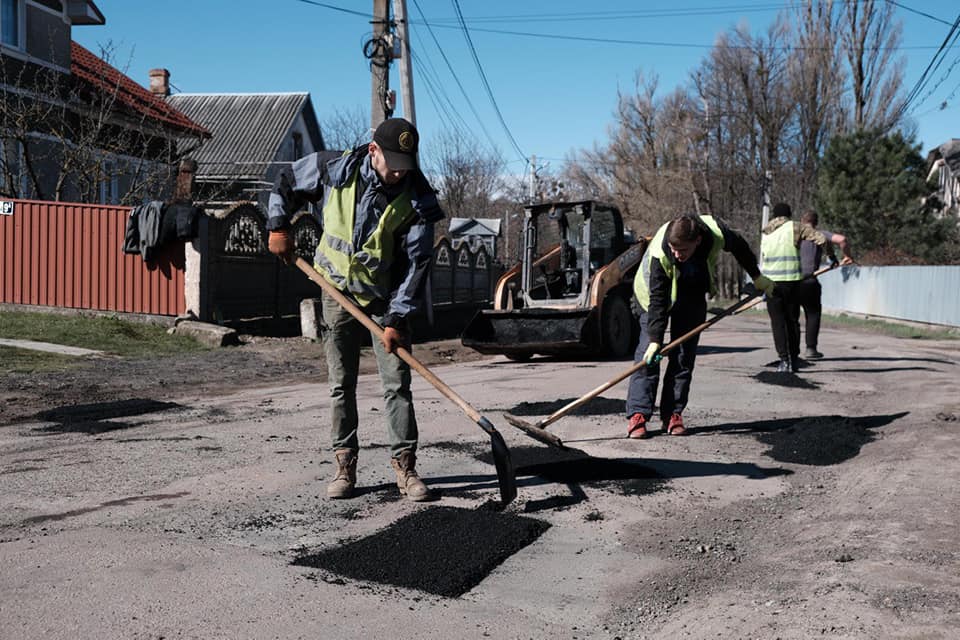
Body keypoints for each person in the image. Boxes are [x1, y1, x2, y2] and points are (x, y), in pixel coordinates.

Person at [267, 118, 444, 502]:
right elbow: (284, 182)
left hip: (383, 301)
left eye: (406, 162)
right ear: (373, 150)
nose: (399, 170)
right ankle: (344, 464)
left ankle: (405, 467)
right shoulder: (334, 169)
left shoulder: (418, 198)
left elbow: (417, 266)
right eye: (392, 161)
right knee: (340, 383)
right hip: (334, 289)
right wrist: (279, 226)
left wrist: (397, 317)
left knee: (397, 383)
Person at [626, 213, 776, 439]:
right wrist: (656, 340)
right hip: (651, 295)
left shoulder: (716, 232)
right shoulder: (661, 253)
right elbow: (657, 300)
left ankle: (673, 414)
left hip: (691, 292)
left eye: (682, 251)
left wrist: (756, 276)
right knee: (648, 354)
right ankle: (638, 414)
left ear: (697, 241)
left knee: (683, 354)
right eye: (673, 249)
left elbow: (741, 247)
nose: (677, 254)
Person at [760, 203, 837, 373]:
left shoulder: (765, 232)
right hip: (792, 282)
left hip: (771, 283)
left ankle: (784, 360)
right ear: (789, 214)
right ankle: (794, 359)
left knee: (778, 323)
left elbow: (764, 258)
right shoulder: (795, 227)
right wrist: (831, 256)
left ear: (774, 215)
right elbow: (823, 239)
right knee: (791, 321)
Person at [797, 211, 854, 359]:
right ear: (816, 222)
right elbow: (842, 239)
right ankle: (810, 349)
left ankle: (791, 350)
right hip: (810, 280)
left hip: (791, 280)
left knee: (791, 316)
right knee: (813, 314)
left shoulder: (794, 235)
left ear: (802, 221)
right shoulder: (819, 234)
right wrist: (846, 256)